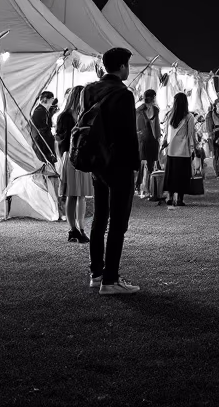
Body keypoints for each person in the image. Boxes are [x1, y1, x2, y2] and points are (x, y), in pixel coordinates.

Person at [85, 47, 140, 295]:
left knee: (99, 219)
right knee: (118, 223)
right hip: (118, 164)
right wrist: (135, 167)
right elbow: (129, 135)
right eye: (127, 64)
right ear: (121, 67)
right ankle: (110, 280)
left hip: (97, 162)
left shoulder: (90, 90)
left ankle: (96, 273)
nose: (129, 69)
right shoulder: (123, 94)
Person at [56, 85, 92, 243]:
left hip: (76, 157)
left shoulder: (71, 115)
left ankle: (77, 229)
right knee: (75, 195)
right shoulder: (71, 116)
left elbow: (60, 139)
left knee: (78, 195)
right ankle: (76, 229)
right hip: (75, 157)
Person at [160, 92, 196, 207]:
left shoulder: (170, 115)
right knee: (182, 175)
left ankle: (170, 197)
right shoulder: (189, 116)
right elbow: (190, 135)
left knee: (171, 174)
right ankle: (180, 199)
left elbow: (166, 133)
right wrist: (192, 149)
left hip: (172, 149)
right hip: (183, 150)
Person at [135, 90, 161, 200]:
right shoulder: (139, 110)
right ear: (151, 97)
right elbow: (137, 127)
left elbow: (157, 125)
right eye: (154, 97)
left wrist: (159, 138)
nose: (155, 99)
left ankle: (150, 189)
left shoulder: (156, 110)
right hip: (142, 140)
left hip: (153, 140)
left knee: (151, 164)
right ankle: (140, 186)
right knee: (142, 163)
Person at [31, 91, 58, 166]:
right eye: (52, 98)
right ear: (46, 99)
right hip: (43, 143)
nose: (53, 101)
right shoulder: (39, 111)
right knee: (47, 165)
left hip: (45, 141)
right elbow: (41, 130)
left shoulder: (44, 110)